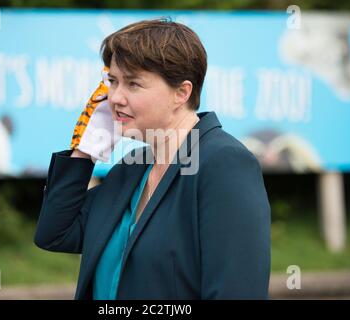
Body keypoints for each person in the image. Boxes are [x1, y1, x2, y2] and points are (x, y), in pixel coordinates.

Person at [34, 18, 271, 300]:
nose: (115, 98)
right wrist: (84, 151)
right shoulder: (134, 166)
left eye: (133, 84)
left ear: (181, 93)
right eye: (112, 81)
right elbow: (55, 233)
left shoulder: (224, 163)